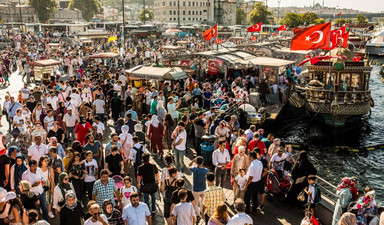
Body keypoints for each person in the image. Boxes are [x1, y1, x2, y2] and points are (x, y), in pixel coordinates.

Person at [244, 151, 263, 215]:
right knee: (255, 197)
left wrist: (246, 185)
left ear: (251, 157)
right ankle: (254, 211)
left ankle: (247, 212)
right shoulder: (260, 163)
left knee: (247, 198)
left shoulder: (252, 165)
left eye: (249, 156)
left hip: (252, 183)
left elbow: (250, 177)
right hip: (257, 182)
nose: (248, 158)